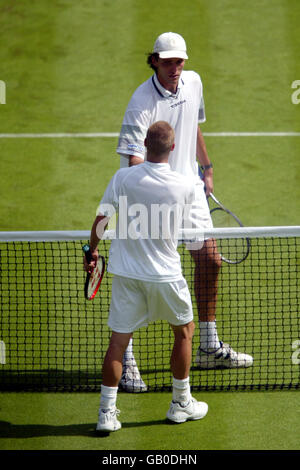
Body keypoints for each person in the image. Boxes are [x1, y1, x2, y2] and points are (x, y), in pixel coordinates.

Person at [116, 32, 253, 392]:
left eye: (180, 61)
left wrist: (205, 169)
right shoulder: (141, 103)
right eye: (168, 61)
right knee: (143, 279)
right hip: (151, 197)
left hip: (189, 192)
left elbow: (193, 127)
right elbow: (133, 162)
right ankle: (127, 359)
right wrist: (156, 196)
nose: (175, 68)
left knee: (210, 260)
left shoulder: (193, 82)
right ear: (155, 61)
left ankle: (208, 344)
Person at [85, 121, 208, 432]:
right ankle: (180, 403)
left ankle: (106, 414)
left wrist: (93, 251)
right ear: (174, 148)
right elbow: (194, 238)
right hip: (166, 275)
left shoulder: (123, 177)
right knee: (184, 333)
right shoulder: (185, 184)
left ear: (144, 145)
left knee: (118, 343)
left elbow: (102, 218)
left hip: (126, 275)